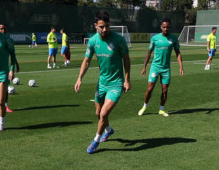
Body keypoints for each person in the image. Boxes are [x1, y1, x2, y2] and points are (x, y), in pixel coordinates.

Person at [75, 11, 131, 154]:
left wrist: (126, 79)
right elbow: (86, 61)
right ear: (96, 26)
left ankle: (96, 141)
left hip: (116, 84)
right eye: (101, 27)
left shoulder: (119, 40)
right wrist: (79, 78)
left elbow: (126, 59)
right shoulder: (93, 41)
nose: (105, 29)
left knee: (104, 114)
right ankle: (108, 129)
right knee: (98, 113)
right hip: (102, 83)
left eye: (107, 26)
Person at [139, 18, 184, 117]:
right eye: (164, 27)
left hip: (166, 69)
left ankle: (161, 109)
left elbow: (178, 53)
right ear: (161, 27)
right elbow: (149, 53)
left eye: (168, 27)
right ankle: (144, 106)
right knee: (150, 88)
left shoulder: (174, 38)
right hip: (155, 67)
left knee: (164, 90)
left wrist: (181, 66)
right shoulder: (155, 38)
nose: (166, 29)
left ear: (170, 27)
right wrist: (144, 67)